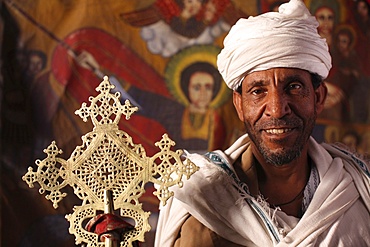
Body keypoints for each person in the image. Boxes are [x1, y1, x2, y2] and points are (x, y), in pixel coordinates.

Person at [154, 0, 370, 246]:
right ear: (239, 105)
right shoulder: (204, 210)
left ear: (318, 98)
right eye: (258, 91)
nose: (277, 110)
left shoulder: (358, 195)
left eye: (294, 87)